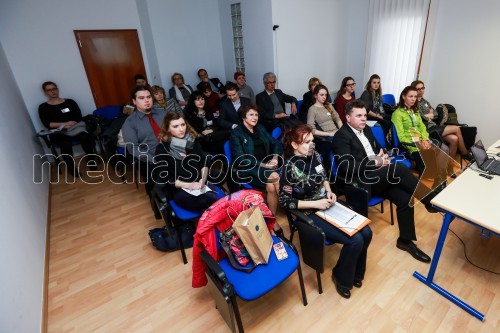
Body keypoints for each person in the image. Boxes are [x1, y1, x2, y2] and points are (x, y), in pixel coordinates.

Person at [332, 99, 437, 263]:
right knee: (400, 169)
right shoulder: (341, 136)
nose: (363, 119)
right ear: (347, 117)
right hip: (360, 182)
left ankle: (405, 241)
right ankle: (431, 199)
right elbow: (348, 167)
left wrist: (383, 155)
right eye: (358, 116)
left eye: (365, 115)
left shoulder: (366, 129)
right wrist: (375, 161)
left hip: (378, 176)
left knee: (405, 199)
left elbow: (378, 148)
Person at [279, 124, 372, 299]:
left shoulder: (316, 155)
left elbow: (324, 176)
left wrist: (328, 190)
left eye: (312, 141)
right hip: (310, 212)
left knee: (367, 232)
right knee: (356, 241)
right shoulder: (289, 168)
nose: (311, 145)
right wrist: (317, 203)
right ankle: (341, 276)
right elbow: (285, 202)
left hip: (327, 203)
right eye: (306, 142)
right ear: (294, 145)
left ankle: (356, 273)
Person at [152, 112, 219, 211]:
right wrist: (189, 185)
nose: (181, 129)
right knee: (208, 203)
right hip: (179, 187)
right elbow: (167, 178)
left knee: (212, 200)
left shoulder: (192, 140)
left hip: (198, 182)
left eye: (183, 125)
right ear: (167, 129)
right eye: (175, 126)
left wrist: (203, 179)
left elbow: (204, 161)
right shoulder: (161, 149)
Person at [229, 105, 282, 215]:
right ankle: (292, 206)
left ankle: (272, 218)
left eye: (256, 115)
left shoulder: (260, 128)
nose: (255, 118)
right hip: (247, 168)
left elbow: (275, 143)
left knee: (271, 187)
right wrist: (265, 165)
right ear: (243, 117)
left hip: (265, 165)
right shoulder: (236, 133)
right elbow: (242, 160)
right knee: (275, 177)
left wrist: (275, 158)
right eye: (251, 115)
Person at [38, 81, 96, 177]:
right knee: (64, 144)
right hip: (59, 131)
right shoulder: (43, 107)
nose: (52, 92)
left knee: (85, 137)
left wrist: (71, 124)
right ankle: (72, 168)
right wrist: (64, 124)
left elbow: (78, 117)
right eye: (49, 90)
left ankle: (91, 161)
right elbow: (47, 124)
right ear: (45, 92)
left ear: (57, 89)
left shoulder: (70, 102)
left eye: (54, 89)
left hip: (74, 128)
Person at [391, 86, 451, 179]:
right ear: (403, 96)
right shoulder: (397, 114)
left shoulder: (415, 111)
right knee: (429, 155)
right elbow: (401, 137)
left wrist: (424, 139)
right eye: (410, 96)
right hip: (410, 143)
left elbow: (422, 127)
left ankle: (440, 175)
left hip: (420, 139)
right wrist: (418, 143)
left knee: (445, 148)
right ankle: (431, 177)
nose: (413, 99)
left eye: (415, 97)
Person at [411, 80, 473, 161]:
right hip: (427, 129)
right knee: (456, 128)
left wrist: (430, 115)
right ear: (414, 90)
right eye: (418, 89)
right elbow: (421, 117)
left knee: (454, 139)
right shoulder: (414, 102)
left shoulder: (425, 101)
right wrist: (429, 115)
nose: (421, 90)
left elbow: (436, 114)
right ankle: (465, 154)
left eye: (422, 88)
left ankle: (448, 166)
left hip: (434, 126)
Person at [121, 86, 163, 194]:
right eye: (141, 98)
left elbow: (175, 133)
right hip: (150, 158)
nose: (147, 100)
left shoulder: (163, 113)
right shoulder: (130, 122)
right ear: (134, 101)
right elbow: (132, 148)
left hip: (171, 153)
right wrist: (153, 160)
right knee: (159, 194)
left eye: (149, 97)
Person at [307, 84, 342, 165]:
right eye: (321, 95)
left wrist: (341, 130)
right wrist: (329, 133)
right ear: (315, 95)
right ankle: (339, 169)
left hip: (336, 132)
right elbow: (311, 129)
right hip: (325, 136)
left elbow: (337, 118)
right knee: (340, 146)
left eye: (326, 95)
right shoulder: (312, 109)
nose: (324, 97)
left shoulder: (328, 105)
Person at [359, 74, 391, 139]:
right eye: (374, 82)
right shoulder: (366, 93)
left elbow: (379, 107)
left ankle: (389, 139)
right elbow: (366, 110)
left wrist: (381, 114)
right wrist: (377, 116)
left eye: (378, 83)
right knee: (386, 123)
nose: (376, 84)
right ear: (370, 83)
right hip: (369, 116)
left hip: (377, 113)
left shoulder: (376, 93)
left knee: (392, 118)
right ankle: (382, 140)